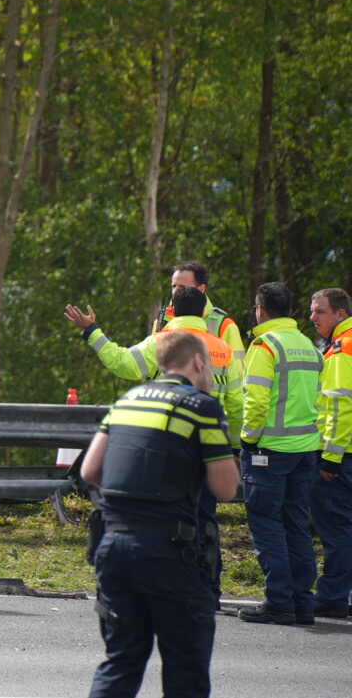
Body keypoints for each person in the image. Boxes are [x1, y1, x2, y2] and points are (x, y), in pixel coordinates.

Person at [81, 329, 239, 698]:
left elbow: (90, 471)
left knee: (121, 663)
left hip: (114, 546)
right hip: (172, 551)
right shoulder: (202, 407)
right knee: (185, 672)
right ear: (198, 362)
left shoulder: (127, 400)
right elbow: (225, 488)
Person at [237, 281, 324, 625]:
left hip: (269, 451)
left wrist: (247, 439)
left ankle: (279, 602)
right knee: (297, 525)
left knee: (268, 526)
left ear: (260, 309)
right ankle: (303, 604)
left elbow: (256, 401)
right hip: (306, 450)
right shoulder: (308, 345)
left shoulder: (265, 346)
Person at [65, 285, 243, 442]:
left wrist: (91, 330)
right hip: (210, 441)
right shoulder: (224, 349)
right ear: (204, 310)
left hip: (168, 439)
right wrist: (235, 446)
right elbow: (236, 405)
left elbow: (121, 362)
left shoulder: (159, 343)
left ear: (173, 309)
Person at [309, 287, 352, 619]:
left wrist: (330, 458)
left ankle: (334, 596)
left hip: (342, 456)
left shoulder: (341, 348)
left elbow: (339, 407)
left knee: (337, 530)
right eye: (312, 311)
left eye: (320, 311)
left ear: (340, 313)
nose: (313, 318)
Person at [162, 260, 246, 362]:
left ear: (201, 289)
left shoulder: (224, 325)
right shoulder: (163, 319)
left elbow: (239, 367)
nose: (175, 291)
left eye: (182, 287)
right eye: (174, 286)